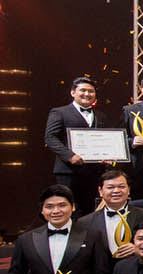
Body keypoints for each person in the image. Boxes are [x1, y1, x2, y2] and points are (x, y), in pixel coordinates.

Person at [44, 76, 109, 211]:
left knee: (90, 209)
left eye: (91, 91)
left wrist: (105, 155)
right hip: (68, 171)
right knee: (67, 207)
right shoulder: (60, 112)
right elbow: (50, 137)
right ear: (73, 92)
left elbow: (104, 139)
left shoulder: (101, 115)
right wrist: (70, 156)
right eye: (83, 90)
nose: (87, 94)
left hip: (94, 171)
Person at [75, 169, 143, 258]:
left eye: (121, 186)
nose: (116, 191)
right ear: (100, 191)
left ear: (128, 190)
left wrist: (139, 249)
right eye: (110, 187)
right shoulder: (85, 222)